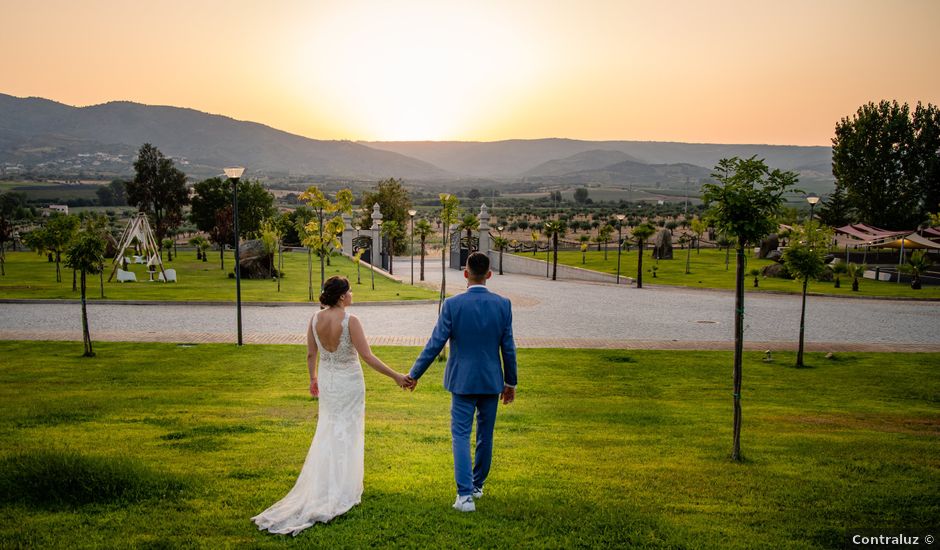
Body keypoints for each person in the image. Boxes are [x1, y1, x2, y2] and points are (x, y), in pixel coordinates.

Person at [252, 276, 410, 535]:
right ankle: (343, 488)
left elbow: (310, 354)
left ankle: (328, 483)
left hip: (328, 380)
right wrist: (396, 376)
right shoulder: (351, 321)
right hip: (349, 382)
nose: (352, 295)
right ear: (341, 296)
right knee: (347, 431)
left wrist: (313, 378)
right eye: (349, 291)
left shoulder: (314, 319)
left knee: (328, 429)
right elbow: (367, 356)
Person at [404, 252, 518, 512]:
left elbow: (436, 343)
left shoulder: (453, 305)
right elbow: (508, 348)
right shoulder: (504, 305)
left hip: (462, 382)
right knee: (485, 436)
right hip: (491, 382)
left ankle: (465, 496)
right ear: (489, 274)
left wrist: (414, 374)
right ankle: (477, 486)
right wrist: (510, 382)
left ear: (465, 274)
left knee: (460, 435)